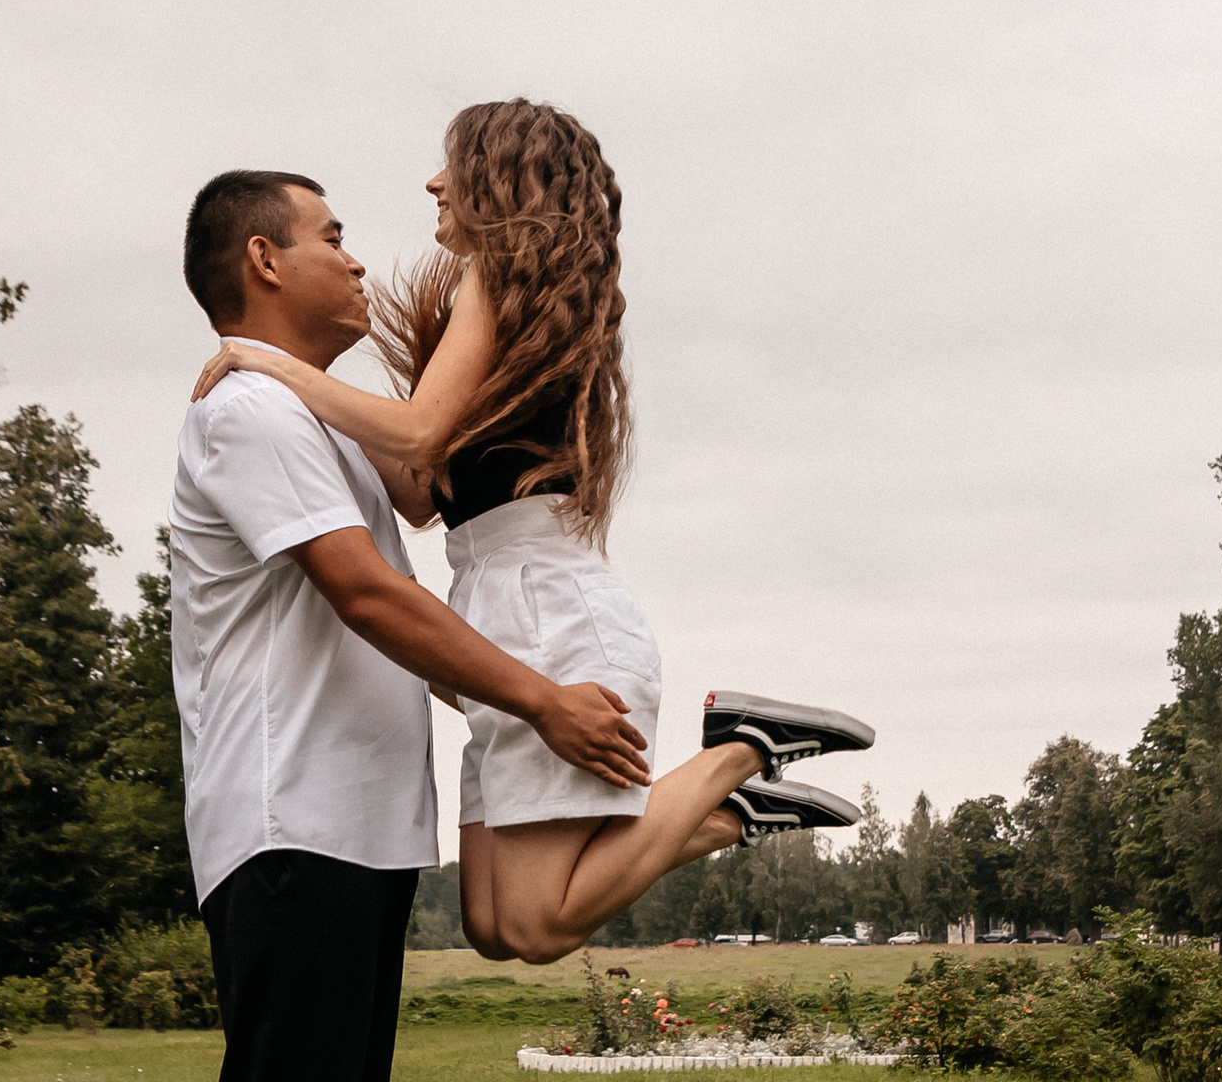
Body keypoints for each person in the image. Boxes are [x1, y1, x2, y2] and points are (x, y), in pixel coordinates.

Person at [172, 162, 654, 1082]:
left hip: (362, 824)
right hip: (287, 816)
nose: (354, 259)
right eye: (330, 237)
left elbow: (395, 594)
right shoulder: (254, 408)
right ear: (263, 261)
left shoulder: (324, 431)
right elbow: (372, 599)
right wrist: (540, 698)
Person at [190, 97, 873, 964]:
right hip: (502, 603)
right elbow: (417, 490)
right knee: (490, 924)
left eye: (452, 166)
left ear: (500, 179)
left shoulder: (496, 277)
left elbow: (415, 435)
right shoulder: (513, 305)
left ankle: (740, 751)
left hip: (548, 611)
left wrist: (272, 363)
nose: (434, 183)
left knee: (538, 925)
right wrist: (305, 406)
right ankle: (734, 816)